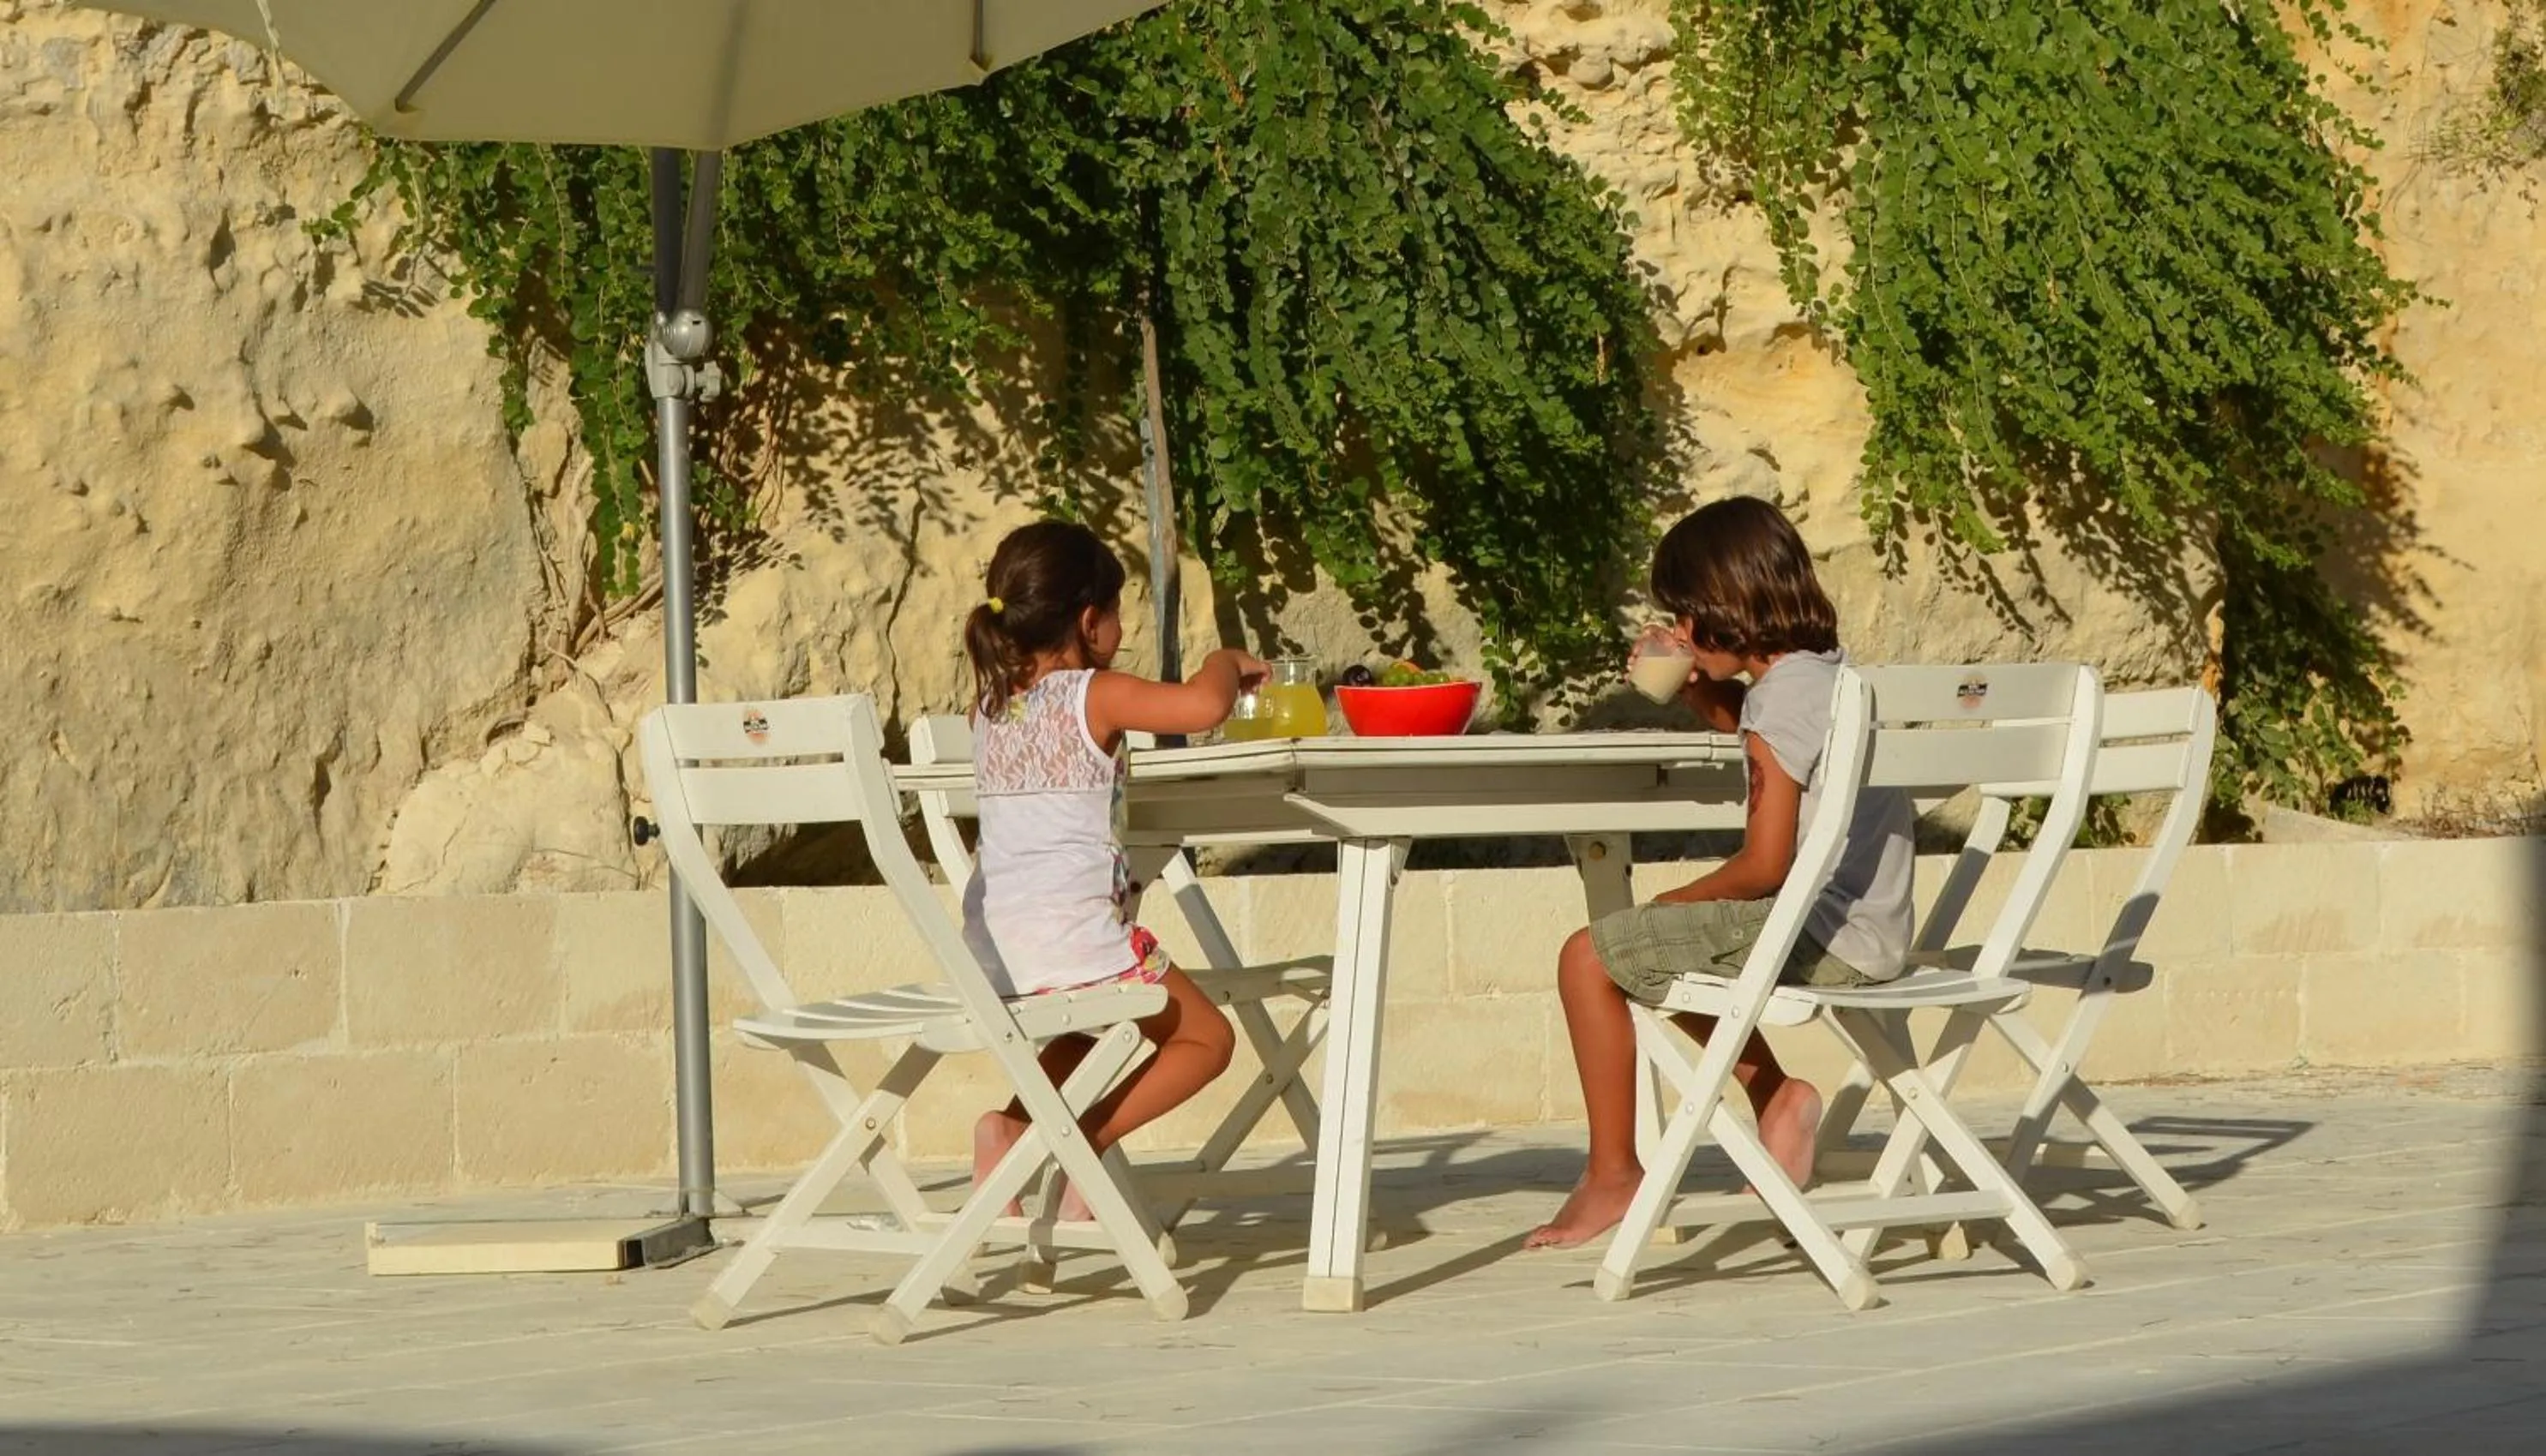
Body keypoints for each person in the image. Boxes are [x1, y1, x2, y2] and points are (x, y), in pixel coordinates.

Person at [1526, 496, 1915, 1249]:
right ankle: (1777, 1098)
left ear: (1723, 607)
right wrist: (1698, 683)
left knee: (1591, 956)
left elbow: (1765, 866)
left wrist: (1669, 901)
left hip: (1821, 933)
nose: (1678, 630)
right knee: (1659, 946)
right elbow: (1762, 728)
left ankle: (1613, 1174)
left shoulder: (1778, 704)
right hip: (1876, 928)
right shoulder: (1827, 678)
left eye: (1685, 615)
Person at [960, 519, 1260, 1219]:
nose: (1122, 629)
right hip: (1077, 944)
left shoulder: (988, 707)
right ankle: (1082, 1143)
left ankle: (1010, 1127)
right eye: (1119, 612)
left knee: (1081, 1027)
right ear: (1089, 621)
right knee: (1208, 1038)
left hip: (997, 952)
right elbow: (1205, 705)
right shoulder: (1095, 693)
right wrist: (1224, 659)